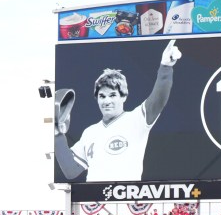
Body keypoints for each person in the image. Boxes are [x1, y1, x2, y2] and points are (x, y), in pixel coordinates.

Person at [54, 41, 182, 182]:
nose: (106, 101)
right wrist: (58, 135)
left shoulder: (136, 119)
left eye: (112, 95)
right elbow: (71, 171)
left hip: (127, 200)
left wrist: (165, 67)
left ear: (124, 96)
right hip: (93, 200)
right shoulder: (89, 132)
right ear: (96, 98)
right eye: (102, 96)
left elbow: (158, 100)